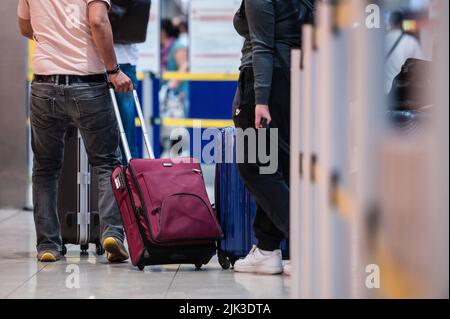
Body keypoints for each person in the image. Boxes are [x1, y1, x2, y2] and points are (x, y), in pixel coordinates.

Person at [18, 0, 132, 263]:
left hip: (45, 85)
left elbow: (25, 26)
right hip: (87, 84)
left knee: (45, 169)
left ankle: (48, 244)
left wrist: (52, 32)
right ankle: (111, 233)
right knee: (106, 164)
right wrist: (114, 71)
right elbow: (98, 21)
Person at [232, 0, 300, 276]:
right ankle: (268, 248)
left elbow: (262, 45)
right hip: (297, 77)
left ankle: (309, 241)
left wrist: (260, 99)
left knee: (255, 167)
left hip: (266, 82)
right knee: (276, 167)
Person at [110, 0, 152, 162]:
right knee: (125, 134)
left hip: (118, 63)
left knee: (123, 135)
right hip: (123, 61)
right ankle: (129, 179)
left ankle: (128, 178)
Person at [385, 11, 424, 94]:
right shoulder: (411, 42)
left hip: (384, 95)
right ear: (402, 24)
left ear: (390, 23)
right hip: (403, 94)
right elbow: (421, 68)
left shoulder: (381, 42)